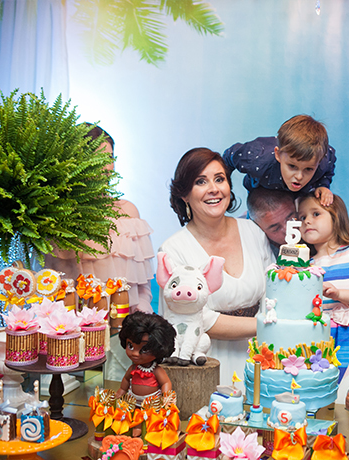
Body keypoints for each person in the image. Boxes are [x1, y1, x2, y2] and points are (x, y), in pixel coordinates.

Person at [44, 124, 155, 381]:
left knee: (120, 396)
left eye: (108, 158)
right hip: (70, 341)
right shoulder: (55, 214)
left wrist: (141, 331)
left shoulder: (128, 211)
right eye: (93, 158)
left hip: (124, 340)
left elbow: (142, 287)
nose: (104, 167)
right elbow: (51, 287)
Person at [159, 148, 274, 383]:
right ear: (184, 194)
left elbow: (273, 291)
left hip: (260, 360)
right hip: (204, 363)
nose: (214, 189)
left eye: (219, 179)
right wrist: (268, 325)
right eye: (201, 182)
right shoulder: (173, 249)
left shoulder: (253, 232)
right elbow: (188, 318)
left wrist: (272, 329)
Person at [298, 193, 349, 380]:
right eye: (302, 217)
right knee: (320, 384)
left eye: (316, 214)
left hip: (348, 335)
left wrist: (339, 294)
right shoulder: (306, 264)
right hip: (316, 338)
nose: (307, 221)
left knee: (347, 383)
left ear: (336, 217)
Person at [223, 114, 336, 206]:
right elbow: (228, 156)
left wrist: (323, 185)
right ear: (278, 154)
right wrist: (224, 187)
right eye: (292, 166)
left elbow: (329, 166)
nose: (299, 176)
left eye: (308, 169)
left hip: (296, 193)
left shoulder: (323, 159)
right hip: (261, 187)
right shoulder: (255, 159)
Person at [115, 312, 175, 403]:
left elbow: (166, 383)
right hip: (133, 401)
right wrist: (122, 390)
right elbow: (126, 379)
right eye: (130, 346)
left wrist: (165, 398)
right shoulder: (133, 368)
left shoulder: (156, 371)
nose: (135, 354)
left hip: (152, 403)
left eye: (145, 349)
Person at [247, 188, 297, 257]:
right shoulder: (255, 253)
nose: (288, 230)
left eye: (291, 220)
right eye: (276, 229)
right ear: (259, 228)